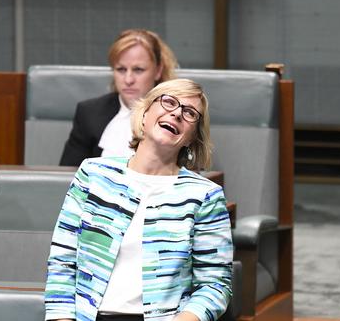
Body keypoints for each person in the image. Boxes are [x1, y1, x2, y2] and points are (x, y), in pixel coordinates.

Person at [45, 79, 233, 321]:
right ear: (144, 114)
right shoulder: (93, 174)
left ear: (190, 139)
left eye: (189, 113)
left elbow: (215, 284)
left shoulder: (205, 196)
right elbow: (62, 261)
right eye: (168, 102)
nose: (176, 113)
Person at [59, 28, 178, 166]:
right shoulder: (89, 113)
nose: (128, 79)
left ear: (158, 71)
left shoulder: (178, 115)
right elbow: (67, 175)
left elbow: (192, 178)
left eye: (138, 70)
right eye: (121, 69)